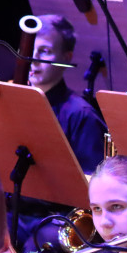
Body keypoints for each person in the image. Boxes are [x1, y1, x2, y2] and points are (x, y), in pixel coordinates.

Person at [27, 14, 106, 173]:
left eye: (45, 51)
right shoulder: (14, 100)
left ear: (66, 58)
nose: (33, 59)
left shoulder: (82, 116)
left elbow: (91, 182)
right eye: (29, 49)